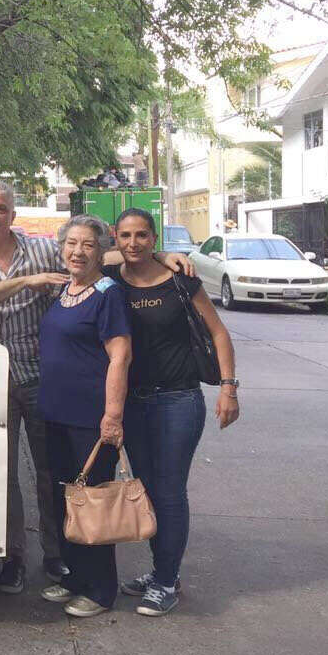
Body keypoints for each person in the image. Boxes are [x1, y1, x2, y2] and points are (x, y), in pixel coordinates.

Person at [0, 180, 194, 595]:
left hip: (42, 378)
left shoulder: (42, 250)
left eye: (1, 208)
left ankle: (60, 557)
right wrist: (26, 282)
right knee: (2, 474)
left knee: (56, 475)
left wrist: (161, 255)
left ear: (13, 215)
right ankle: (13, 557)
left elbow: (97, 252)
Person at [107, 208, 239, 616]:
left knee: (169, 491)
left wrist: (229, 388)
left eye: (142, 235)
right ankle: (163, 571)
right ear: (116, 237)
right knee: (148, 489)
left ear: (154, 237)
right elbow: (87, 256)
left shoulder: (181, 281)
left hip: (178, 400)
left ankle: (165, 581)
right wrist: (162, 254)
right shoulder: (111, 281)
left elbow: (218, 332)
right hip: (133, 403)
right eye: (125, 236)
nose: (133, 243)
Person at [36, 215, 132, 618]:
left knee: (94, 502)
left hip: (89, 419)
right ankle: (75, 577)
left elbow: (120, 356)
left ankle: (101, 589)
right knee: (66, 499)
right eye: (71, 243)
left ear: (101, 252)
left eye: (88, 245)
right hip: (55, 413)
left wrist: (112, 415)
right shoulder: (66, 289)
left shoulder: (108, 294)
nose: (78, 252)